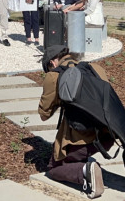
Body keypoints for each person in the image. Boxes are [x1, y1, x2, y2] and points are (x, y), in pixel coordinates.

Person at [39, 45, 110, 199]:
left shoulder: (54, 76)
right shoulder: (94, 68)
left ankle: (85, 170)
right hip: (107, 136)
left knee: (54, 168)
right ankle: (83, 163)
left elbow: (44, 114)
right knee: (74, 152)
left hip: (81, 137)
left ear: (52, 63)